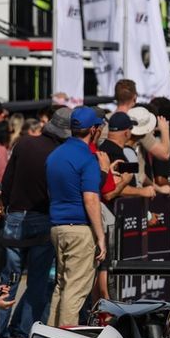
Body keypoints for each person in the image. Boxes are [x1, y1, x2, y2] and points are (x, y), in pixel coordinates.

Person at [0, 107, 68, 338]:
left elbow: (8, 181)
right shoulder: (59, 154)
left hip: (15, 215)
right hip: (43, 217)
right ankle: (21, 334)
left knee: (9, 278)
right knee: (37, 281)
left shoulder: (25, 143)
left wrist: (9, 205)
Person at [45, 107, 107, 326]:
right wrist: (100, 236)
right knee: (74, 291)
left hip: (57, 227)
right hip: (79, 229)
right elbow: (91, 199)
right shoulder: (87, 159)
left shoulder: (54, 156)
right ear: (93, 129)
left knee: (61, 287)